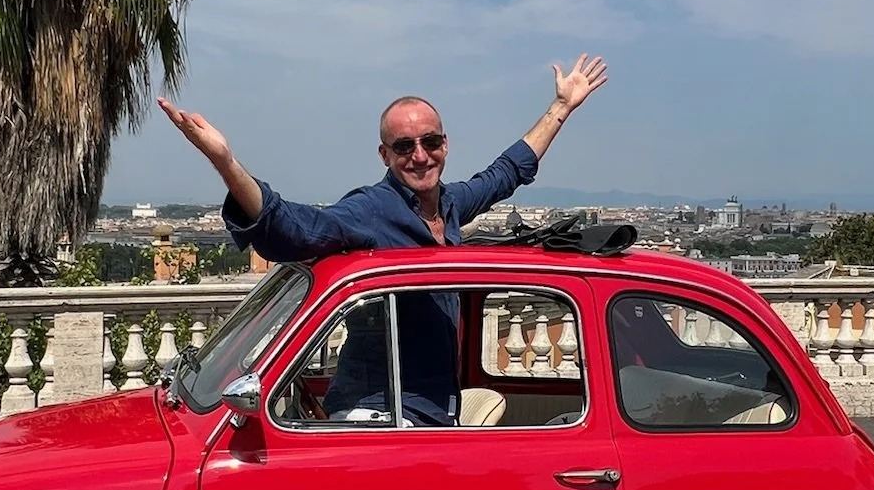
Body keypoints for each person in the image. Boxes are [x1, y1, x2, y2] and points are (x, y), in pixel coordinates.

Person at [158, 55, 608, 424]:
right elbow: (294, 229)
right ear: (385, 155)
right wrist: (226, 162)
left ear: (445, 145)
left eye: (430, 141)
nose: (419, 155)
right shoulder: (371, 210)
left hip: (433, 409)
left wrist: (561, 107)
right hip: (378, 409)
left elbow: (505, 173)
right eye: (404, 146)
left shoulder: (448, 206)